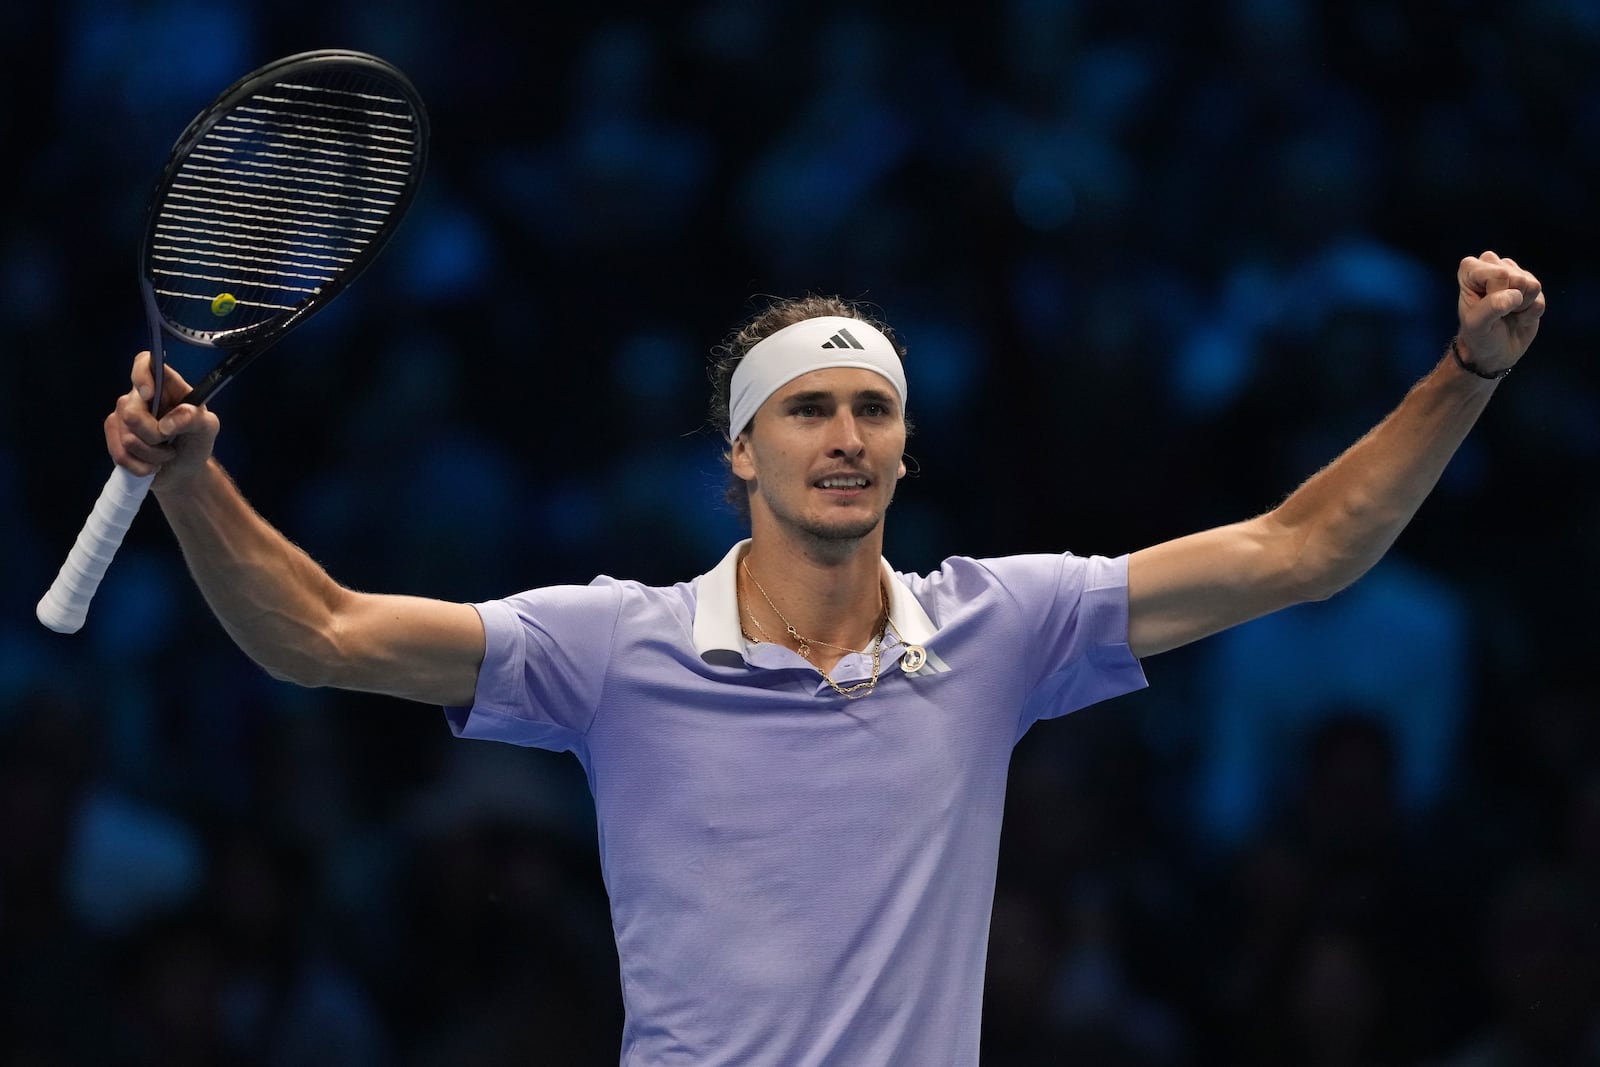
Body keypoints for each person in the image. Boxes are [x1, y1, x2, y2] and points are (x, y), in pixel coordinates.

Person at [102, 252, 1543, 1065]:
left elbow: (1305, 549)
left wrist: (1464, 373)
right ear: (741, 450)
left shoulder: (1002, 626)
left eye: (872, 409)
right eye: (806, 410)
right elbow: (321, 633)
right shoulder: (613, 646)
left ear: (906, 451)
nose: (844, 434)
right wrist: (191, 484)